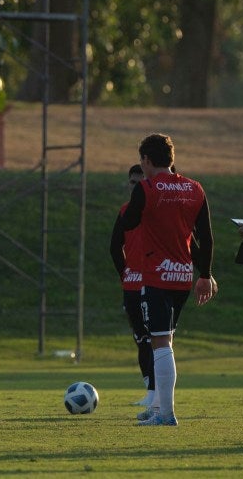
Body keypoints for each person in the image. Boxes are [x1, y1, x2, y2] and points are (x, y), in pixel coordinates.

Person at [121, 133, 217, 426]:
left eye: (142, 161)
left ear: (148, 160)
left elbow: (129, 223)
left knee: (160, 342)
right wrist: (207, 275)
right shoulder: (194, 189)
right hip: (183, 276)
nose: (142, 167)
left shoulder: (147, 189)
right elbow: (206, 237)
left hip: (156, 274)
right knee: (166, 340)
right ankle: (159, 407)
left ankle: (166, 414)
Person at [109, 164, 155, 408]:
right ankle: (151, 391)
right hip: (133, 285)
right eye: (132, 183)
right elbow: (115, 247)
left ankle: (156, 393)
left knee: (155, 339)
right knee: (142, 339)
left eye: (140, 182)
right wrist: (125, 273)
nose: (136, 187)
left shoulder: (157, 212)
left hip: (156, 282)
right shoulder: (125, 211)